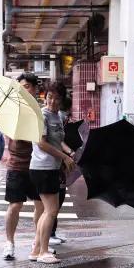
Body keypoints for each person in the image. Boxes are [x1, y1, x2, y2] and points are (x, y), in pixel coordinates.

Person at [29, 83, 75, 264]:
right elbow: (41, 143)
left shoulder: (57, 115)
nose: (52, 101)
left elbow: (56, 141)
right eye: (49, 97)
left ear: (62, 99)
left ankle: (36, 250)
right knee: (51, 211)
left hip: (50, 168)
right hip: (43, 167)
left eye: (56, 98)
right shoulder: (41, 115)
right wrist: (64, 157)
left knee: (46, 211)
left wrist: (68, 152)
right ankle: (43, 252)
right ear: (44, 96)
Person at [2, 73, 43, 260]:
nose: (23, 90)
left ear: (34, 89)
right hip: (16, 164)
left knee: (41, 205)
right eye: (20, 86)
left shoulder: (39, 110)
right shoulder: (12, 109)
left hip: (37, 164)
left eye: (26, 86)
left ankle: (38, 240)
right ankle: (9, 243)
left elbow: (42, 137)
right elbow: (12, 134)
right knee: (15, 205)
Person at [50, 90, 73, 246]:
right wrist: (66, 154)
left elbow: (62, 141)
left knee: (59, 198)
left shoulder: (60, 118)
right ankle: (48, 235)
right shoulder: (52, 118)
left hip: (60, 166)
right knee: (52, 203)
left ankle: (52, 233)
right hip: (52, 165)